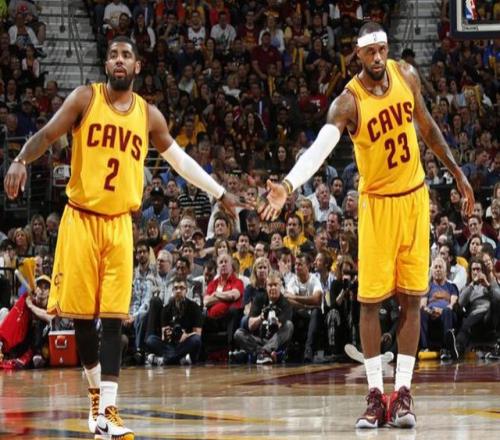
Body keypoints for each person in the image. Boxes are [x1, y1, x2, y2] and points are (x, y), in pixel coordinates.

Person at [3, 36, 245, 438]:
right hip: (81, 219)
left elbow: (180, 161)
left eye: (126, 55)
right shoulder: (85, 99)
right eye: (113, 54)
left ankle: (110, 411)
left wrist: (219, 192)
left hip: (119, 224)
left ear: (137, 67)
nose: (119, 59)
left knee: (114, 318)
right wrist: (19, 159)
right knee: (82, 320)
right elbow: (46, 134)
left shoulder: (149, 115)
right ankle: (95, 397)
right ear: (107, 65)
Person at [259, 22, 474, 429]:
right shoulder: (348, 102)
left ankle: (403, 393)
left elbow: (427, 126)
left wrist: (457, 172)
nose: (377, 57)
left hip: (414, 198)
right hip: (376, 205)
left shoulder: (405, 75)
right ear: (357, 55)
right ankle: (376, 394)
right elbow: (321, 148)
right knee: (370, 302)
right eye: (370, 52)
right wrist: (288, 184)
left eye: (382, 50)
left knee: (412, 299)